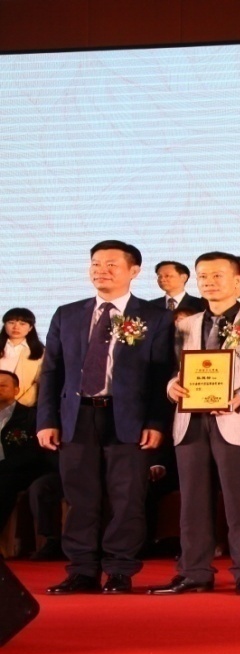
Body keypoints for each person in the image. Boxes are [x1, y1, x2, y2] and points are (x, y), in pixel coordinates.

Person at [38, 240, 174, 595]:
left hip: (129, 418)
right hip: (76, 416)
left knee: (126, 498)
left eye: (112, 264)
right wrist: (47, 419)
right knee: (80, 497)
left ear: (134, 271)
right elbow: (51, 371)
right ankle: (82, 571)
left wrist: (155, 422)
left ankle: (119, 569)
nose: (102, 270)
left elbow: (161, 374)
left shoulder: (155, 317)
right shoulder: (67, 314)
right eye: (96, 263)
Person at [150, 251, 240, 596]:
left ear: (239, 280)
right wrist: (172, 387)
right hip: (191, 421)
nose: (209, 282)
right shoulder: (185, 325)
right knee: (193, 501)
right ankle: (194, 571)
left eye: (217, 275)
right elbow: (174, 370)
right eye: (203, 276)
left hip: (239, 419)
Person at [0, 370, 46, 536]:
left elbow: (34, 454)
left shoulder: (31, 416)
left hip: (19, 472)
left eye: (3, 386)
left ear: (16, 390)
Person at [1, 308, 45, 407]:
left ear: (30, 328)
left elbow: (39, 382)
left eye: (22, 324)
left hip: (24, 407)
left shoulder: (40, 352)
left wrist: (20, 405)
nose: (16, 327)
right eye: (11, 322)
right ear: (4, 325)